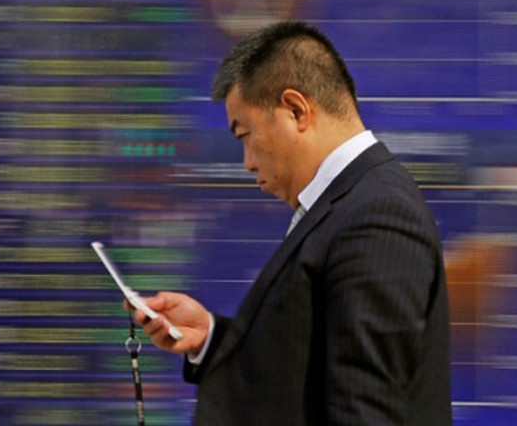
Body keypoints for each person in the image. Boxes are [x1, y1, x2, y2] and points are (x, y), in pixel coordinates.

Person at [129, 21, 453, 425]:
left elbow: (365, 406)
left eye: (245, 135)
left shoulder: (377, 216)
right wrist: (211, 338)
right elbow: (314, 366)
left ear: (296, 110)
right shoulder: (351, 205)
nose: (247, 162)